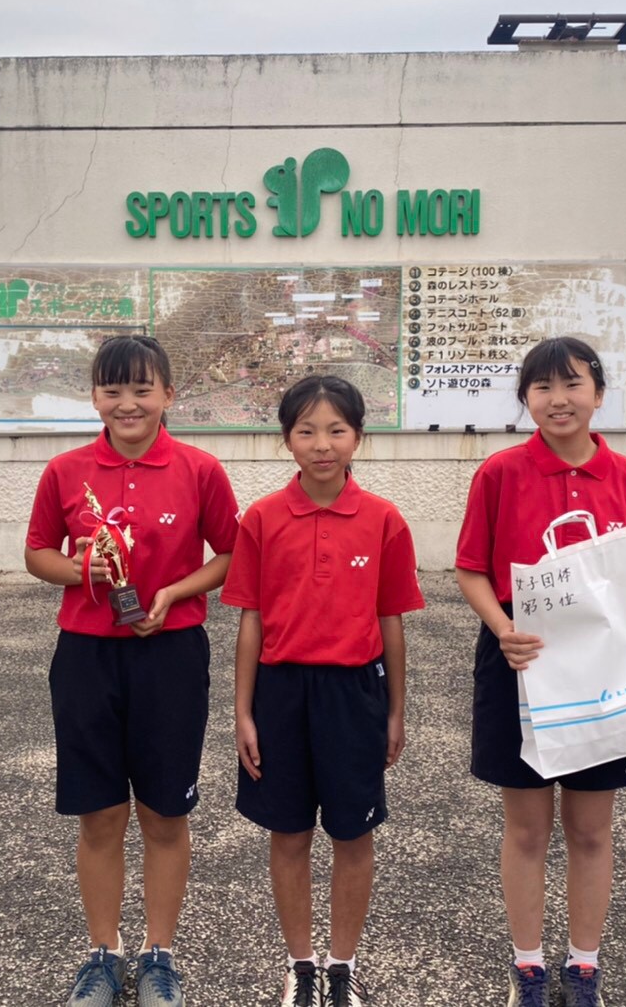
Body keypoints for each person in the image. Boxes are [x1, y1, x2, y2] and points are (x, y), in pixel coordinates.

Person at [454, 336, 626, 1007]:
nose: (558, 399)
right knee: (526, 828)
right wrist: (503, 630)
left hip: (608, 674)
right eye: (542, 387)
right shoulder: (500, 474)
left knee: (592, 829)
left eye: (573, 384)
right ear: (526, 398)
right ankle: (528, 965)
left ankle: (584, 964)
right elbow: (471, 568)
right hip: (519, 666)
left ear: (599, 393)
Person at [25, 334, 239, 1007]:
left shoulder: (199, 469)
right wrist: (78, 568)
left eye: (142, 389)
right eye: (112, 390)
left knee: (165, 814)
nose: (127, 403)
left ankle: (159, 956)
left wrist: (176, 592)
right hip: (86, 653)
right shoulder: (65, 472)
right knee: (98, 815)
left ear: (169, 395)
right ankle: (102, 952)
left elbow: (230, 555)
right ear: (94, 396)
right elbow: (36, 553)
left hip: (171, 653)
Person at [224, 375, 423, 1007]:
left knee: (352, 834)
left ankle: (342, 966)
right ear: (286, 439)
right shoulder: (260, 518)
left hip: (354, 694)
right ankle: (300, 966)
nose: (321, 444)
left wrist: (395, 709)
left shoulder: (384, 519)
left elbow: (390, 618)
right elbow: (250, 618)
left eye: (336, 429)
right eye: (306, 430)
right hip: (281, 694)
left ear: (358, 437)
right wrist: (243, 713)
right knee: (288, 834)